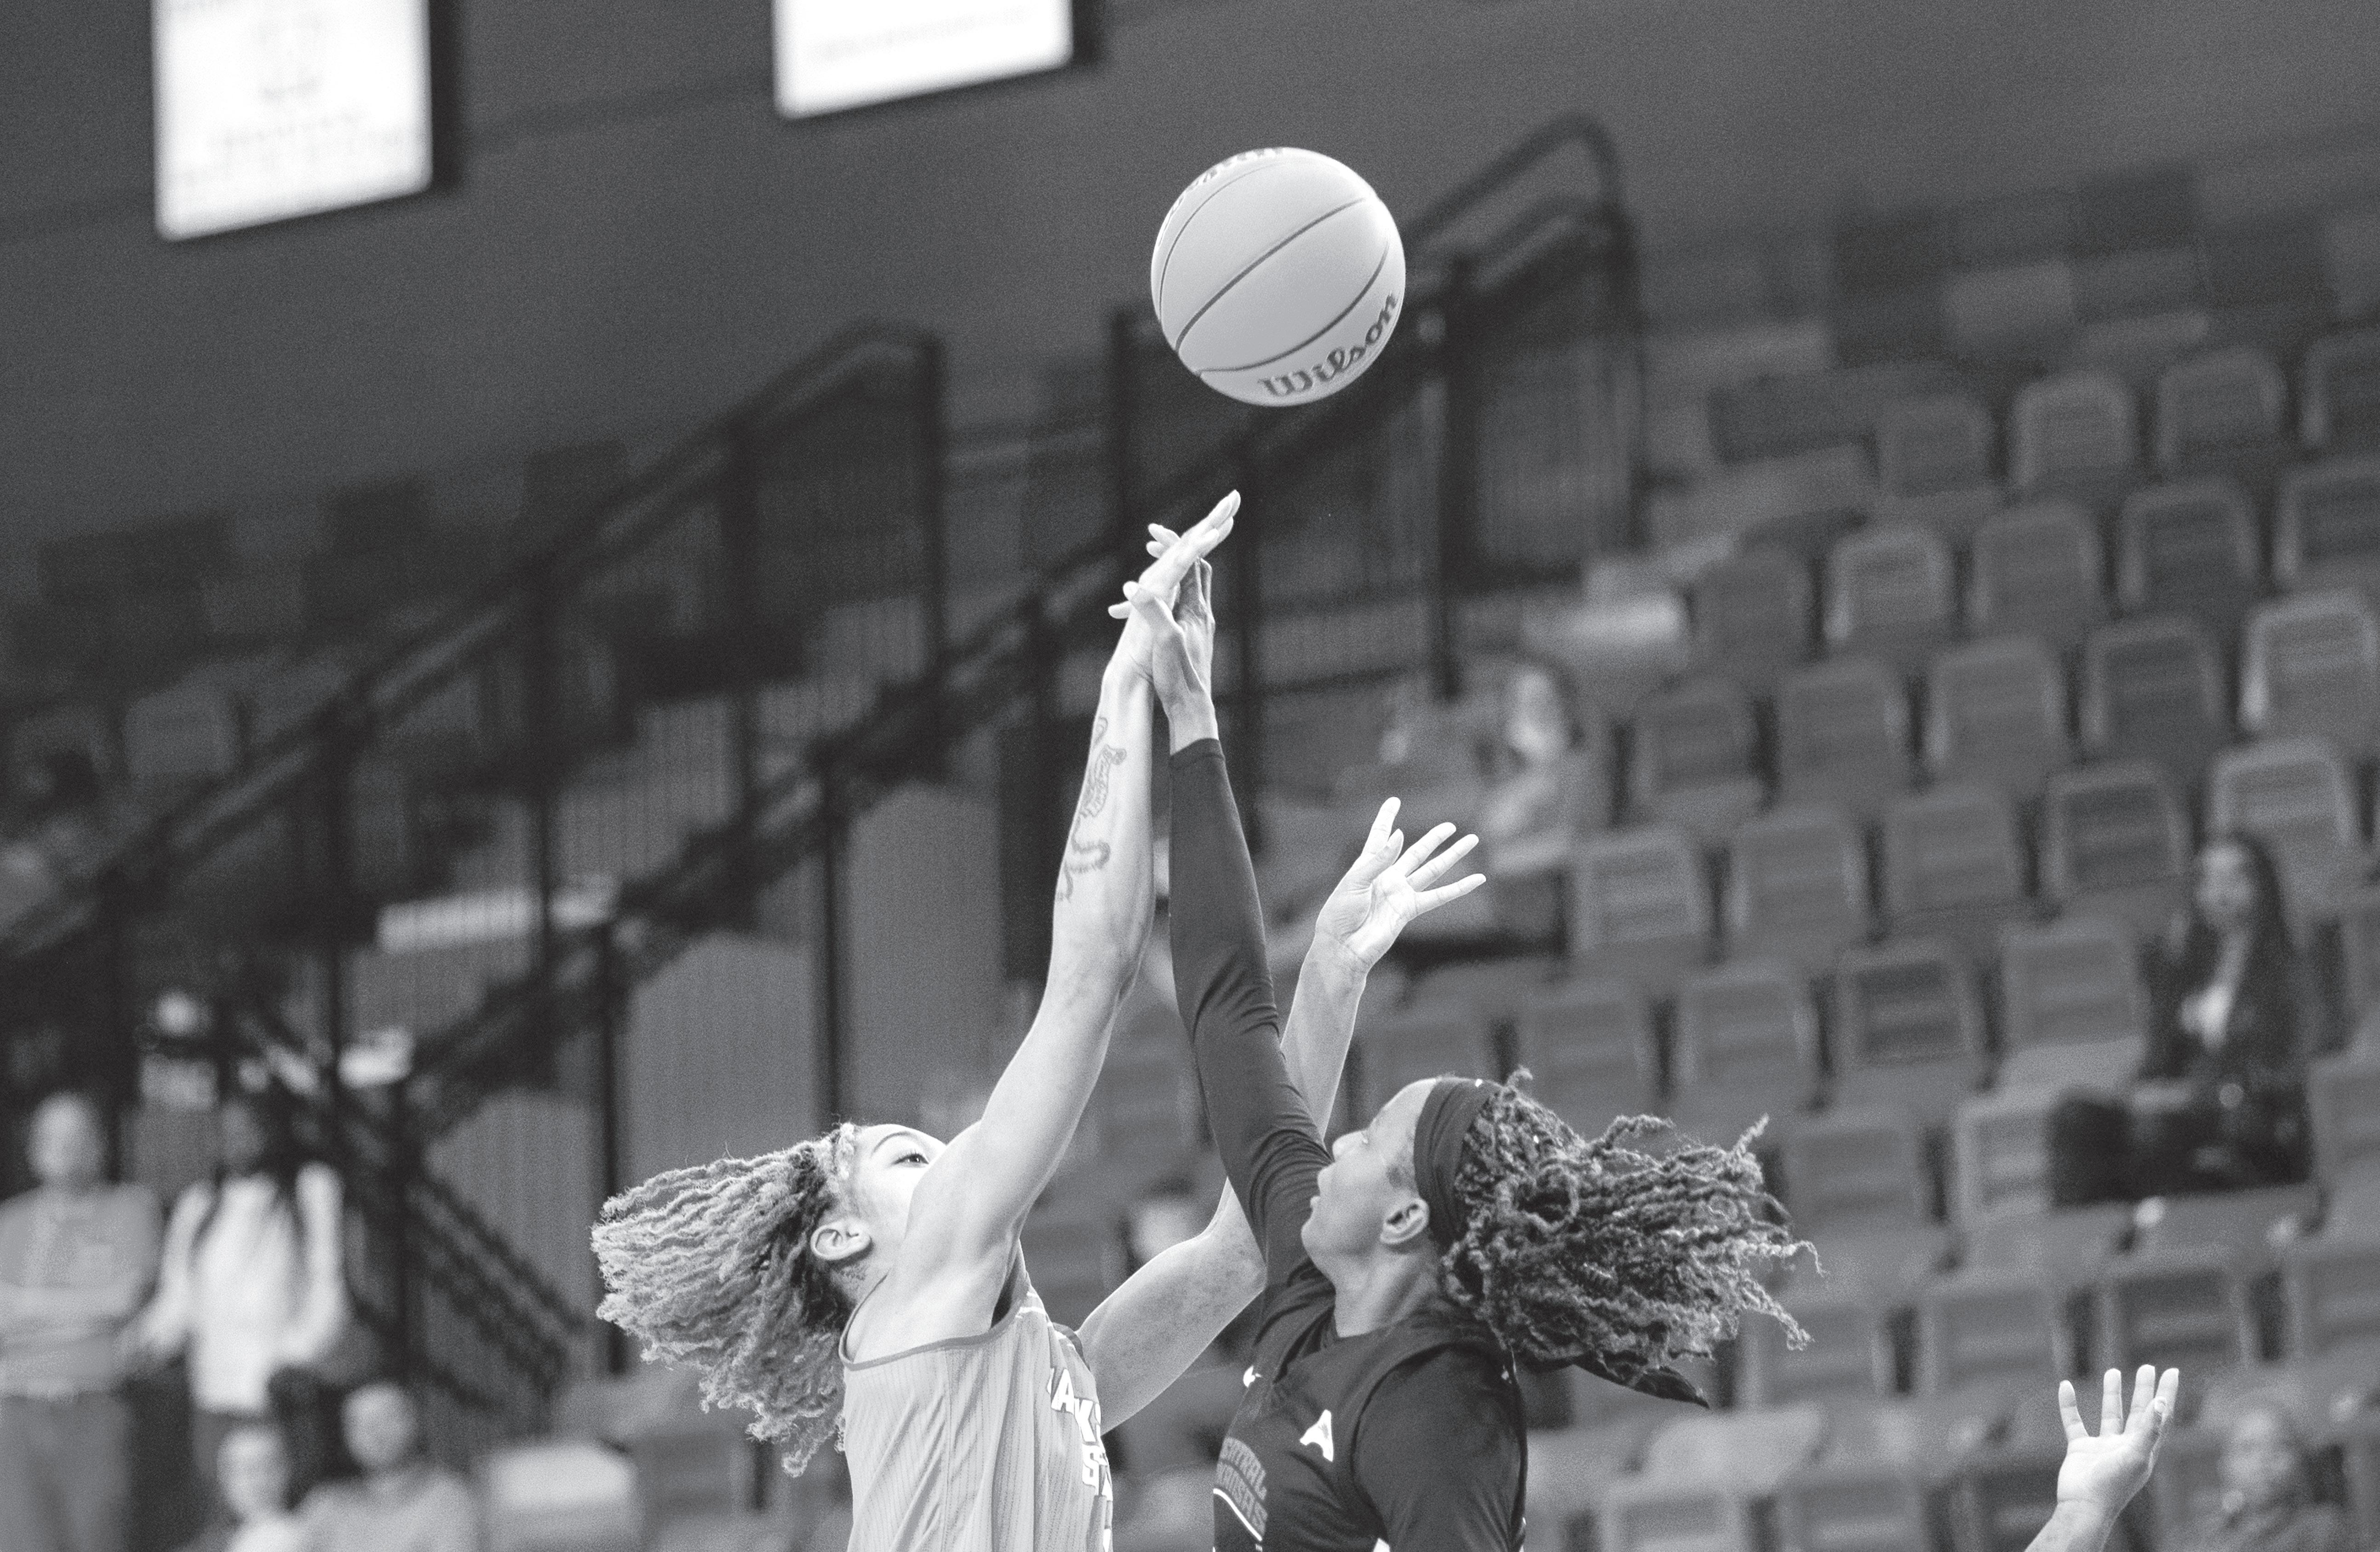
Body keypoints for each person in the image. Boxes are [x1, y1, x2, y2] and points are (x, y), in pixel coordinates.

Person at [1118, 527, 2188, 1552]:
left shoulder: (1432, 1412)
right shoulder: (1319, 1275)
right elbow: (1231, 1017)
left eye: (1365, 1140)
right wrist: (1192, 714)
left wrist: (2081, 1518)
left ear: (1403, 1215)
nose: (1333, 1143)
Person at [593, 499, 1256, 1552]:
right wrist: (1127, 686)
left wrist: (1341, 975)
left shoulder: (1054, 1379)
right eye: (907, 1155)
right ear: (846, 1236)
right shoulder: (911, 1303)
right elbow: (1091, 977)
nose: (953, 1158)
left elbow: (1239, 1250)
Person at [2053, 835, 2327, 1205]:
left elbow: (2294, 1065)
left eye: (2234, 878)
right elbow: (2159, 1056)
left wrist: (2207, 1093)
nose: (2221, 892)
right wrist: (2143, 1089)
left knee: (2157, 1132)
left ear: (2262, 885)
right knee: (2075, 1118)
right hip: (2182, 1110)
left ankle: (2168, 1244)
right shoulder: (2185, 969)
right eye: (2210, 880)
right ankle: (2088, 1245)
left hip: (2250, 1118)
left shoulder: (2292, 970)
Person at [130, 1089, 350, 1515]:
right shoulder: (199, 1205)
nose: (238, 1140)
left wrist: (296, 1355)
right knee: (223, 1513)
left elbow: (329, 1289)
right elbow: (179, 1299)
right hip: (216, 1392)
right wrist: (144, 1340)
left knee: (283, 1516)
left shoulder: (310, 1190)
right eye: (227, 1131)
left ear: (274, 1132)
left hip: (280, 1392)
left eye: (250, 1129)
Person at [0, 1090, 162, 1552]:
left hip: (95, 1406)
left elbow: (125, 1300)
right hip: (15, 1410)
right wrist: (89, 1310)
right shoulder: (9, 1222)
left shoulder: (131, 1208)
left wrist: (26, 1308)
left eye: (77, 1135)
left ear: (100, 1145)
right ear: (33, 1149)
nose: (64, 1147)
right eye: (52, 1136)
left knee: (99, 1539)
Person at [292, 1383, 475, 1552]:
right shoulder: (326, 1504)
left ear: (414, 1421)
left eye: (386, 1418)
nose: (375, 1433)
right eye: (360, 1424)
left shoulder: (449, 1498)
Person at [2173, 1401, 2357, 1552]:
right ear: (2224, 1465)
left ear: (2299, 1460)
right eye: (2247, 1449)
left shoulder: (2324, 1528)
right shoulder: (2201, 1539)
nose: (2263, 1461)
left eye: (2279, 1447)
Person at [175, 1425, 306, 1552]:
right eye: (246, 1471)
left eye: (268, 1468)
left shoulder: (289, 1536)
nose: (260, 1481)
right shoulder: (232, 1536)